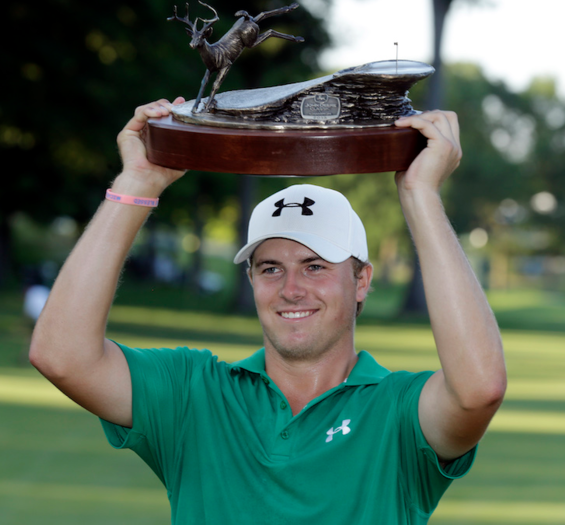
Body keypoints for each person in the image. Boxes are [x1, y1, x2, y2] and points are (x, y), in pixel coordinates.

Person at [30, 98, 507, 524]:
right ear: (252, 280)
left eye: (315, 266)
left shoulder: (400, 411)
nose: (291, 289)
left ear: (361, 281)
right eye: (271, 268)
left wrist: (420, 195)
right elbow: (61, 355)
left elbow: (478, 390)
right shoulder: (195, 394)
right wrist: (137, 183)